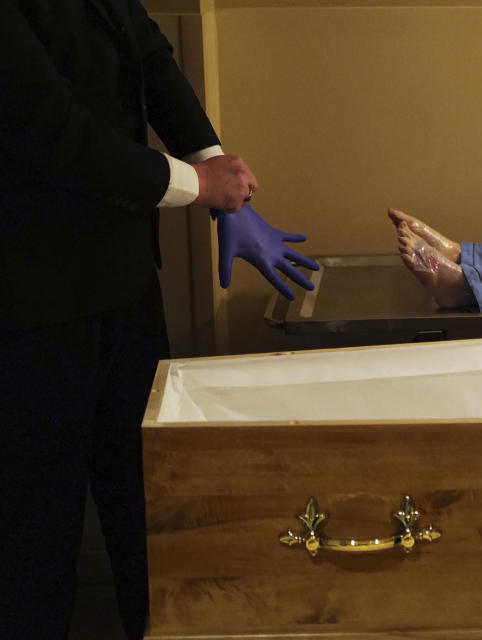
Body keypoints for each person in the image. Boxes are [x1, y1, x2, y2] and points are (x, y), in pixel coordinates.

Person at [0, 2, 315, 639]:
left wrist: (221, 172)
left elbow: (148, 54)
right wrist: (198, 186)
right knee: (35, 548)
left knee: (154, 524)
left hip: (125, 287)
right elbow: (54, 131)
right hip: (28, 311)